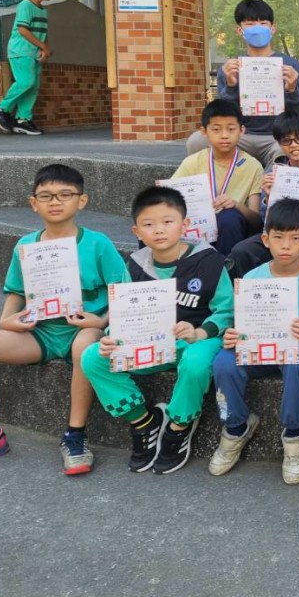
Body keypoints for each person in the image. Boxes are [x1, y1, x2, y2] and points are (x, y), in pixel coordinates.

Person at [0, 164, 128, 475]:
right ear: (33, 203)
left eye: (65, 194)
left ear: (82, 200)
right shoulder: (26, 245)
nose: (55, 201)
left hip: (85, 330)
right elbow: (15, 297)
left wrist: (99, 321)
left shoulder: (97, 243)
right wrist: (8, 321)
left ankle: (75, 435)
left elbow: (123, 292)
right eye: (46, 196)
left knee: (85, 346)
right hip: (41, 333)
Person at [80, 185, 234, 474]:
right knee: (92, 357)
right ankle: (144, 422)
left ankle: (178, 426)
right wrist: (112, 338)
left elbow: (227, 311)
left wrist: (200, 333)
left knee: (196, 361)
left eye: (167, 221)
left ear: (184, 225)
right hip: (150, 344)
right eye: (149, 224)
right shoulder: (135, 265)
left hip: (196, 341)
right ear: (137, 232)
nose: (159, 230)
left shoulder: (210, 262)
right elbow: (123, 312)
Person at [208, 198, 299, 484]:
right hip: (260, 347)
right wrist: (233, 334)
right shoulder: (252, 277)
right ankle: (236, 426)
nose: (286, 246)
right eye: (278, 237)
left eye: (295, 238)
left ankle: (295, 433)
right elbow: (243, 325)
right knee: (224, 362)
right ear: (266, 239)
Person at [187, 0, 299, 167]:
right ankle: (216, 181)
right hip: (240, 135)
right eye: (250, 24)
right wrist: (231, 87)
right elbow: (221, 114)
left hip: (278, 136)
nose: (257, 28)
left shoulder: (292, 67)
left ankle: (268, 183)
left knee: (284, 152)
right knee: (196, 142)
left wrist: (293, 90)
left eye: (263, 23)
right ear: (240, 30)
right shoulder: (231, 68)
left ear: (273, 28)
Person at [226, 108, 299, 278]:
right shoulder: (274, 173)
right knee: (241, 251)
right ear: (279, 144)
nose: (294, 145)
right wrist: (267, 198)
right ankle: (245, 294)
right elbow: (265, 219)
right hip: (278, 232)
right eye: (286, 141)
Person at [171, 99, 263, 256]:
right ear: (204, 132)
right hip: (197, 226)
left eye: (231, 129)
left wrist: (236, 205)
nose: (224, 135)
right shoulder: (193, 162)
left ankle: (227, 267)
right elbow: (170, 197)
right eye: (216, 130)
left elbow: (256, 220)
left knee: (229, 217)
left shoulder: (253, 166)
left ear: (241, 130)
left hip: (232, 230)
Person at [0, 0, 54, 136]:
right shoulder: (25, 6)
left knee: (33, 86)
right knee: (26, 81)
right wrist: (42, 46)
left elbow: (43, 33)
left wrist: (45, 49)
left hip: (35, 53)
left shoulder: (43, 10)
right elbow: (23, 29)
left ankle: (23, 119)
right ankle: (2, 108)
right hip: (20, 50)